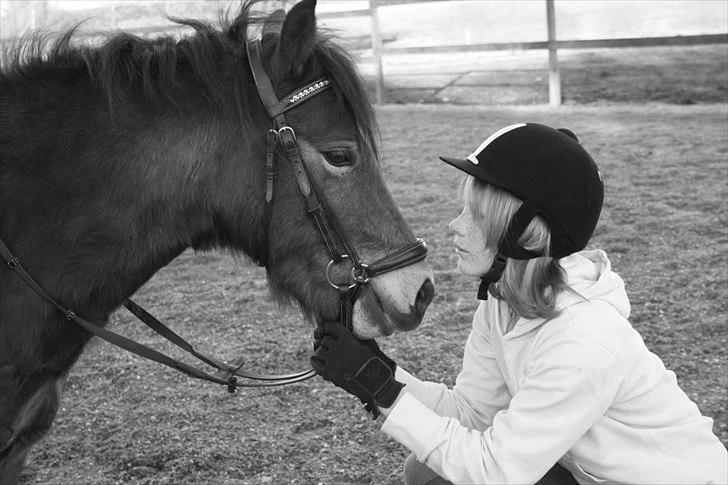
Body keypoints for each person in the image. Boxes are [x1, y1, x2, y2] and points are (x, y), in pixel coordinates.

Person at [311, 123, 728, 484]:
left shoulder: (584, 342)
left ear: (525, 235)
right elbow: (472, 413)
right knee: (426, 474)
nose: (454, 225)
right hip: (592, 475)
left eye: (475, 215)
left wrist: (382, 391)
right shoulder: (501, 303)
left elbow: (494, 473)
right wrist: (379, 373)